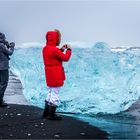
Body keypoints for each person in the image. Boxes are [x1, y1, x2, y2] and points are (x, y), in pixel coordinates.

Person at [42, 29, 72, 120]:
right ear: (55, 39)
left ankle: (46, 113)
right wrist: (69, 49)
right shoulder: (54, 50)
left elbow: (55, 56)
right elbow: (65, 58)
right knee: (55, 93)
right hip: (55, 74)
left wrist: (62, 49)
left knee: (51, 91)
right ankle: (51, 115)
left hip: (49, 73)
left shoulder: (45, 48)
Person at [0, 32, 15, 107]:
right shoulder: (1, 45)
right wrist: (12, 46)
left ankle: (1, 100)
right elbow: (10, 53)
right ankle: (0, 101)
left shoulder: (2, 45)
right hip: (3, 67)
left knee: (0, 84)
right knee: (4, 84)